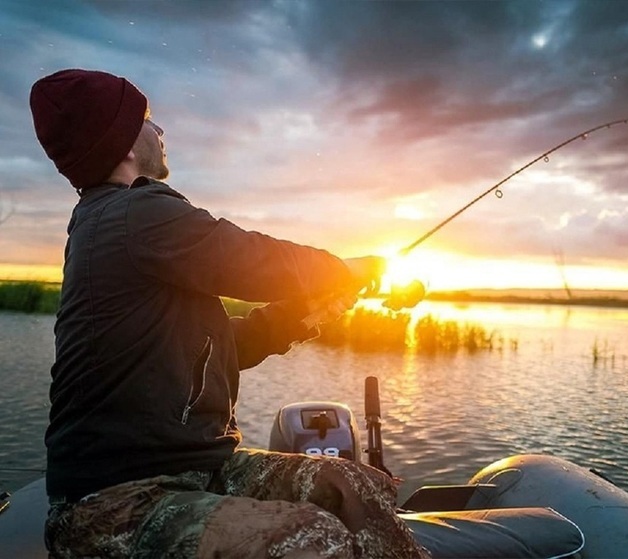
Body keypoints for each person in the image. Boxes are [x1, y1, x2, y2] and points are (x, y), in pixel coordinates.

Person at [30, 69, 431, 559]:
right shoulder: (132, 214)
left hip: (200, 470)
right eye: (149, 120)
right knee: (313, 540)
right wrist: (352, 270)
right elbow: (250, 260)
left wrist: (300, 314)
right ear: (123, 143)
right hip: (114, 501)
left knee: (355, 486)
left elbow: (217, 352)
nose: (160, 131)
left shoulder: (128, 230)